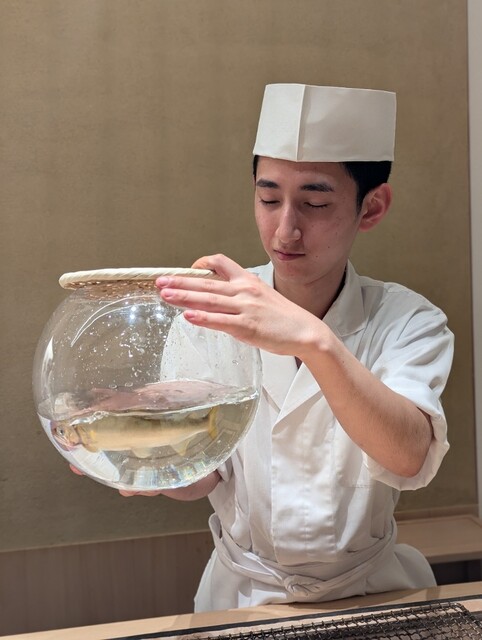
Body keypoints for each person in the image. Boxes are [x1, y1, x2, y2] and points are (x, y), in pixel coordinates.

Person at [100, 85, 456, 610]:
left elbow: (408, 457)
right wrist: (157, 464)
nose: (285, 229)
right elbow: (205, 474)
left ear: (372, 206)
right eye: (268, 199)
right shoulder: (210, 316)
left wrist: (313, 340)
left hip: (371, 594)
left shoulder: (408, 320)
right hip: (242, 596)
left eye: (315, 202)